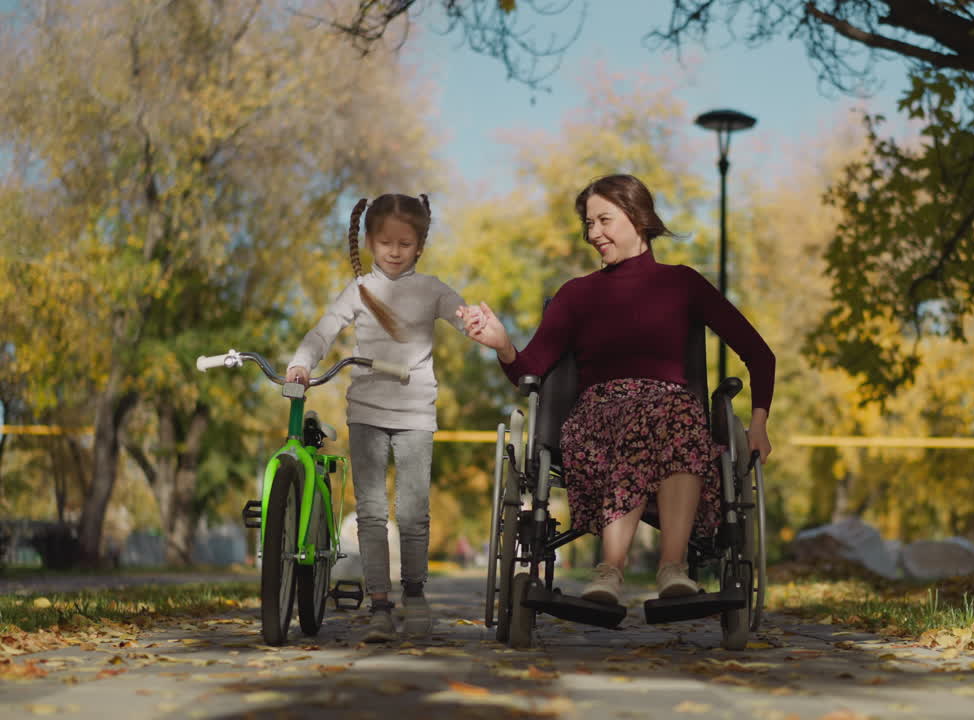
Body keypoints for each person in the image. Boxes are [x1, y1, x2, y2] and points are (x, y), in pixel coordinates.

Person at [459, 174, 774, 605]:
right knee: (657, 416)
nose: (594, 234)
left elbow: (760, 355)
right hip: (598, 422)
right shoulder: (576, 295)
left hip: (672, 418)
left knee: (676, 415)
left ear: (638, 217)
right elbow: (528, 371)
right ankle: (611, 569)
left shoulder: (683, 284)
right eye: (589, 224)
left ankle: (671, 568)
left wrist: (758, 424)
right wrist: (502, 345)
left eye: (603, 220)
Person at [286, 193, 467, 642]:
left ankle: (415, 595)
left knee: (413, 512)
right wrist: (302, 361)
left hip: (415, 414)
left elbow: (462, 315)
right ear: (369, 241)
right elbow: (324, 329)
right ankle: (379, 606)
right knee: (369, 512)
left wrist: (477, 323)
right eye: (385, 241)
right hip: (366, 411)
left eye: (405, 243)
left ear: (420, 245)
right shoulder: (358, 290)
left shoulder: (431, 289)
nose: (394, 251)